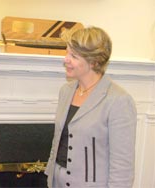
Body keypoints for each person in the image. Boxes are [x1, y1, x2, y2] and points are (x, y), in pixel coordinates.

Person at [45, 27, 137, 188]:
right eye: (67, 53)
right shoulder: (66, 91)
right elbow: (58, 140)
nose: (65, 59)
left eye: (73, 56)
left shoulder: (119, 101)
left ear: (93, 61)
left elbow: (122, 167)